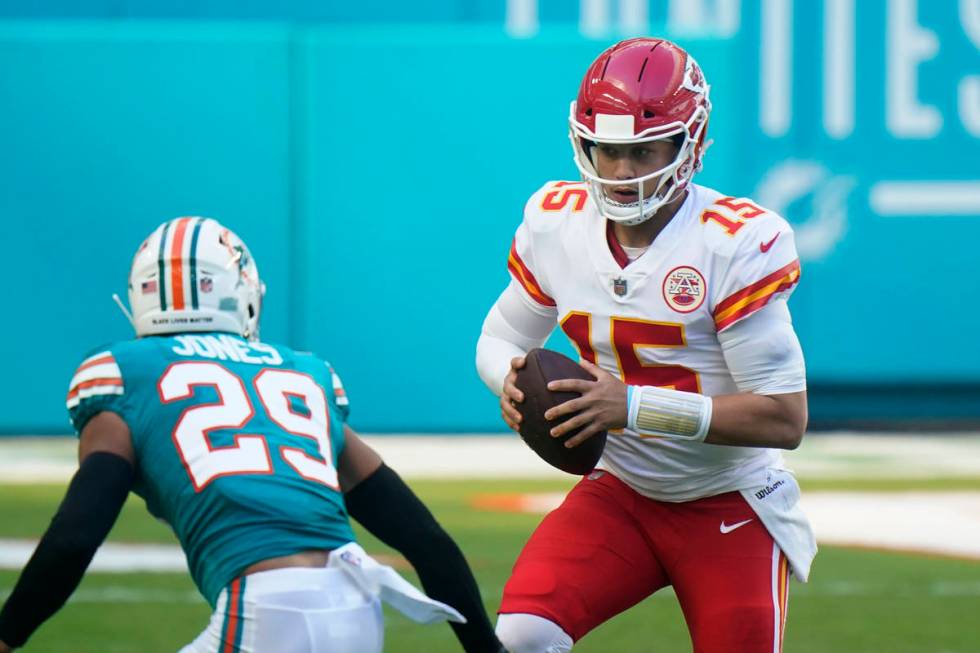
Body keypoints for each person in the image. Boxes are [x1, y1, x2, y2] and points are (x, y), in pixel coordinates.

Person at [0, 217, 505, 653]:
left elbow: (77, 534)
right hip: (356, 606)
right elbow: (426, 541)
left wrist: (9, 632)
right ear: (241, 292)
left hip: (265, 608)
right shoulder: (304, 373)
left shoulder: (122, 373)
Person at [475, 38, 817, 653]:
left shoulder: (734, 244)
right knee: (521, 636)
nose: (622, 172)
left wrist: (628, 406)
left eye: (643, 151)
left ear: (691, 143)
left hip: (730, 502)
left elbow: (783, 418)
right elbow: (500, 339)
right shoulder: (557, 224)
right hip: (622, 492)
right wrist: (510, 381)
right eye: (608, 151)